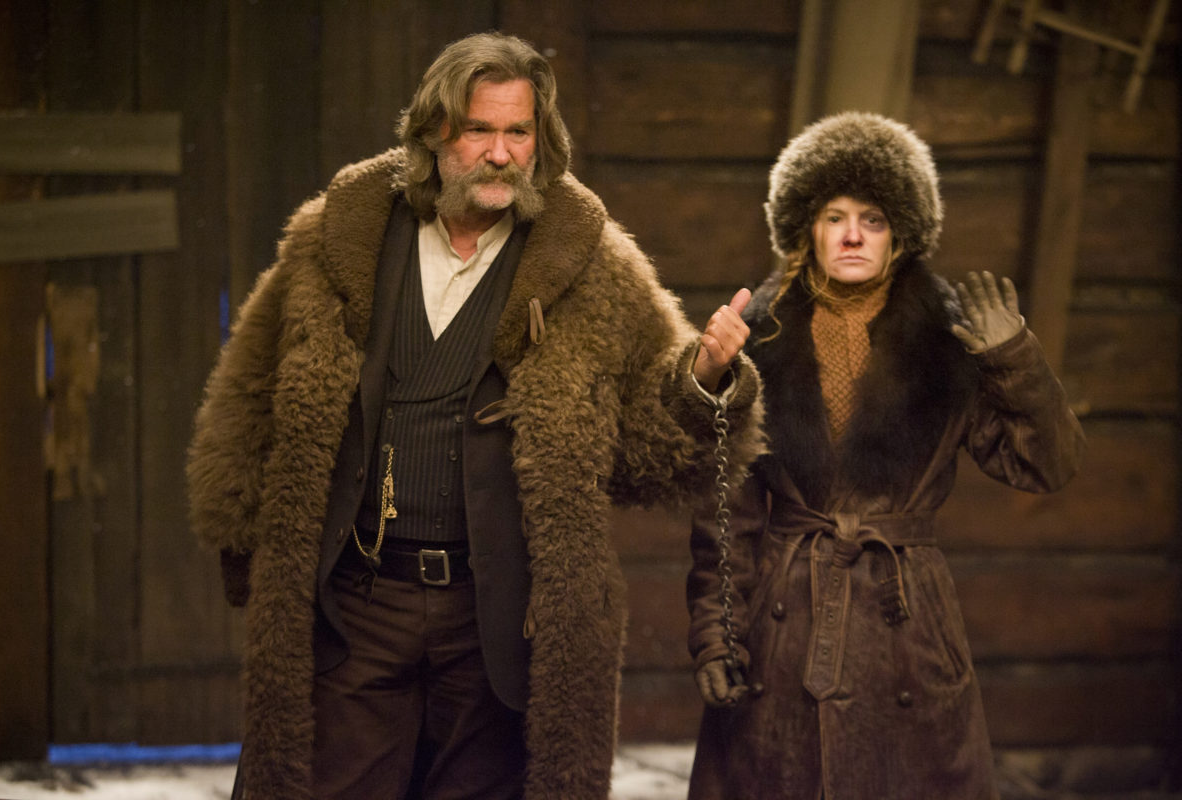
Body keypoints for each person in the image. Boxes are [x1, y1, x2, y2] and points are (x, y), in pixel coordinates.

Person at [186, 32, 765, 800]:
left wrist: (706, 378)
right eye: (478, 130)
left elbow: (654, 453)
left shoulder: (587, 261)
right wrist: (240, 546)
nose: (500, 154)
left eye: (518, 132)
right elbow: (247, 395)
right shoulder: (343, 237)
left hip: (497, 616)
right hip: (360, 600)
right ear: (434, 134)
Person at [685, 111, 1086, 799]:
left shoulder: (951, 337)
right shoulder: (758, 335)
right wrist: (715, 636)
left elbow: (1046, 465)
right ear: (805, 228)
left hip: (907, 625)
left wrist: (1014, 359)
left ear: (900, 232)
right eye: (834, 217)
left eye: (871, 219)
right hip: (785, 621)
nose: (851, 235)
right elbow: (728, 513)